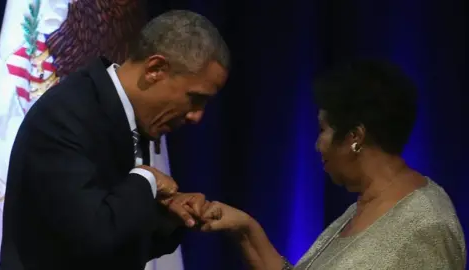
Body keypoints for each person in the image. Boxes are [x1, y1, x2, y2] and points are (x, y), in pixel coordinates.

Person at [0, 10, 229, 270]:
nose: (197, 116)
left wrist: (170, 217)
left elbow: (118, 243)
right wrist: (146, 179)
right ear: (155, 69)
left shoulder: (128, 115)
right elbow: (92, 238)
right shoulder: (67, 113)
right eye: (194, 98)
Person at [197, 60, 466, 269]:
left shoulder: (427, 227)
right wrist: (246, 230)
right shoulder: (365, 205)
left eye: (323, 130)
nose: (318, 144)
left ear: (355, 137)